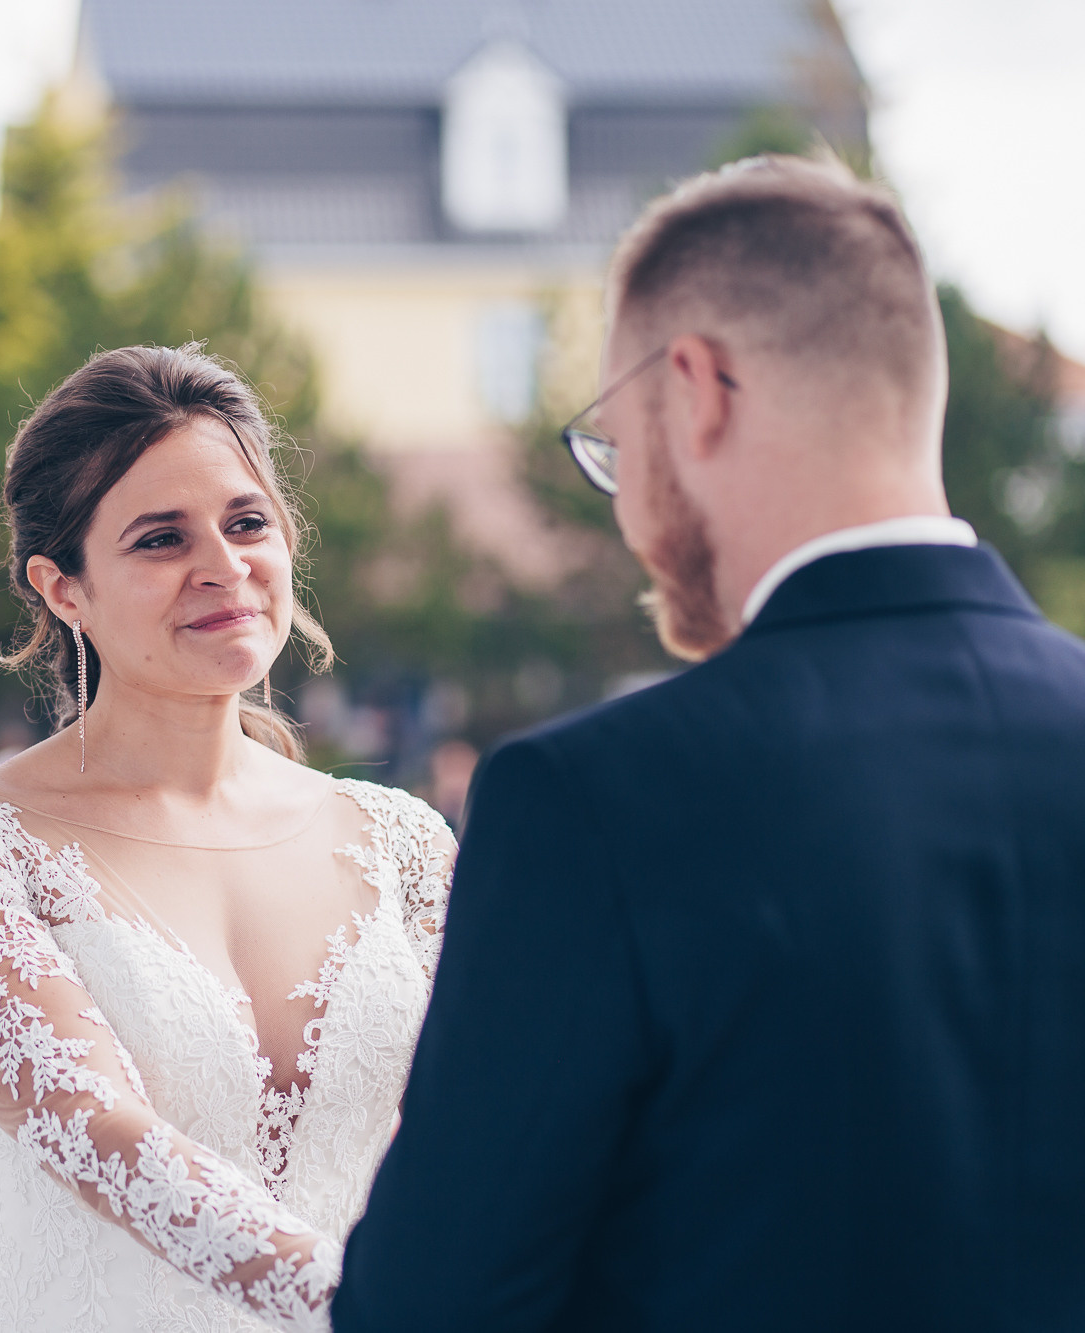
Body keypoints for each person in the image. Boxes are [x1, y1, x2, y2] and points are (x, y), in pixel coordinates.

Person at [334, 155, 1085, 1331]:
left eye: (613, 448)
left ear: (694, 392)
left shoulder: (584, 801)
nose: (624, 506)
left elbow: (429, 1308)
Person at [0, 345, 456, 1332]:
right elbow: (100, 1133)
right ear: (63, 589)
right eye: (159, 539)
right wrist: (369, 1305)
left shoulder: (400, 842)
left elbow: (491, 1126)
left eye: (245, 522)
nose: (222, 567)